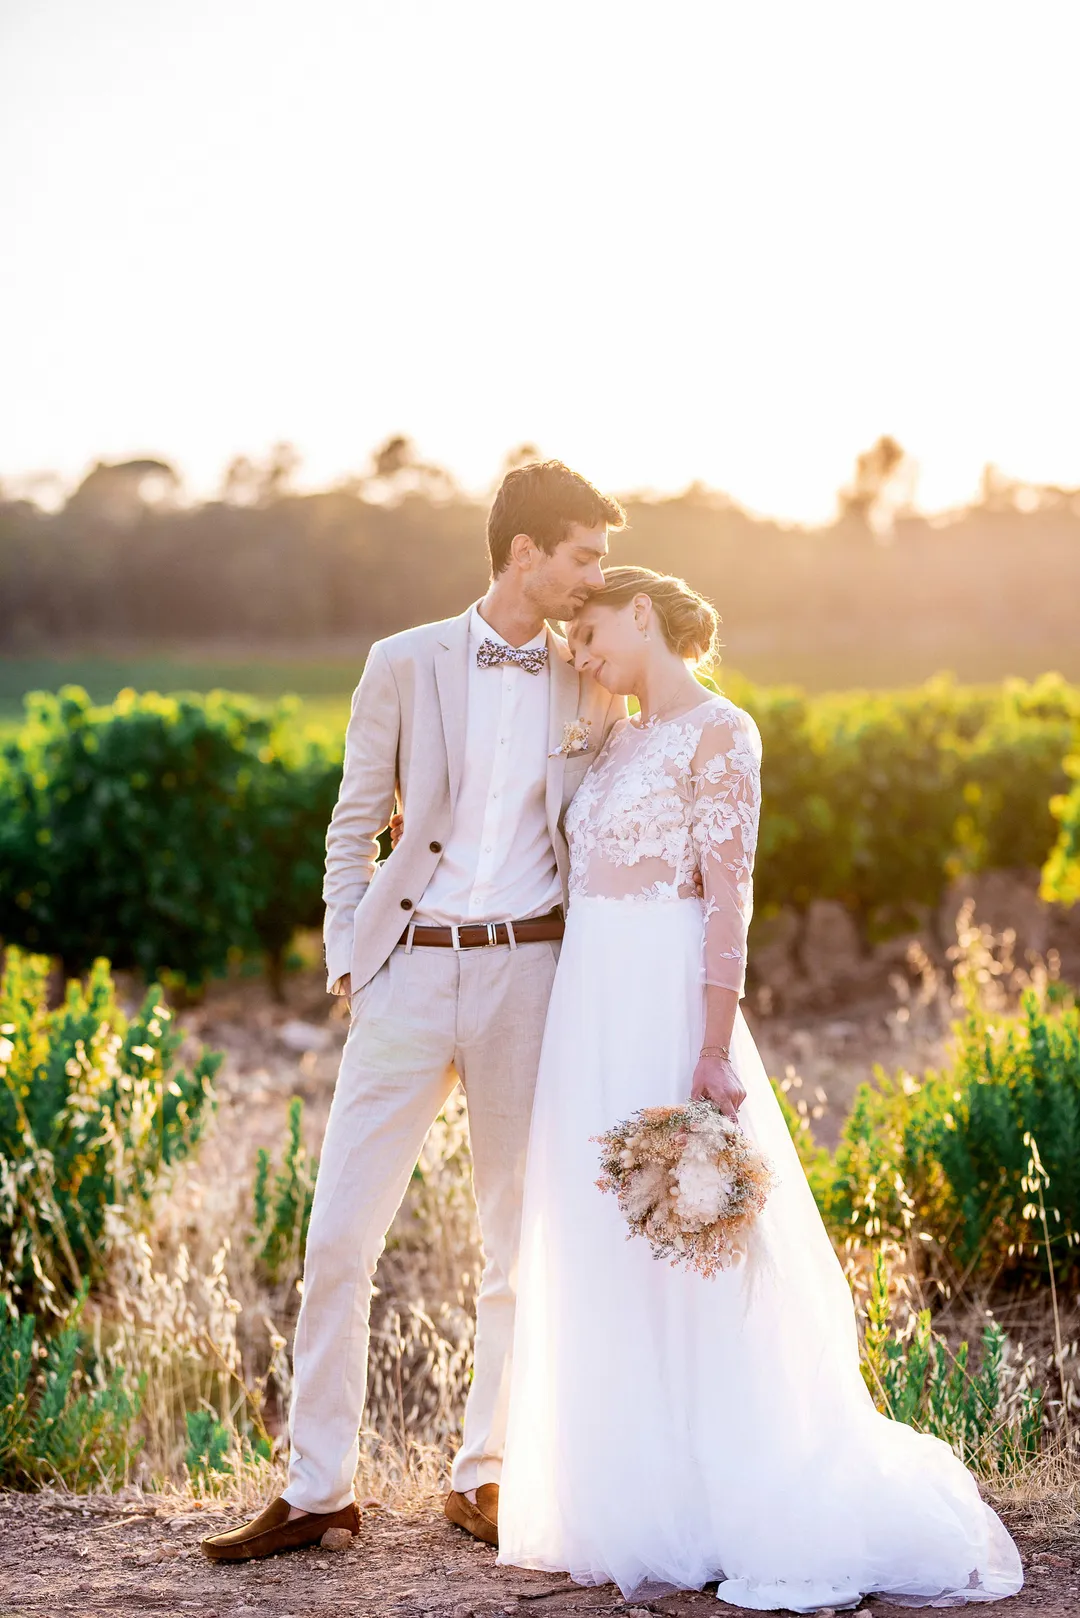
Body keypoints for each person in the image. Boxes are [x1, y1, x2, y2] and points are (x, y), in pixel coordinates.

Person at [494, 566, 1024, 1611]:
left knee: (694, 1241)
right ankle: (636, 1495)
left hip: (662, 1005)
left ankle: (727, 1490)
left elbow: (728, 894)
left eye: (591, 632)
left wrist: (710, 1047)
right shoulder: (612, 737)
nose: (583, 654)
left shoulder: (720, 733)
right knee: (607, 1239)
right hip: (586, 1006)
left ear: (643, 614)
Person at [201, 460, 628, 1562]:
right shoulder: (401, 661)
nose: (597, 578)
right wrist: (353, 959)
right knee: (339, 1231)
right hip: (408, 972)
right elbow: (352, 824)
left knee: (516, 1241)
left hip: (529, 973)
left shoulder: (592, 676)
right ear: (524, 553)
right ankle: (317, 1486)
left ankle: (484, 1474)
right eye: (584, 555)